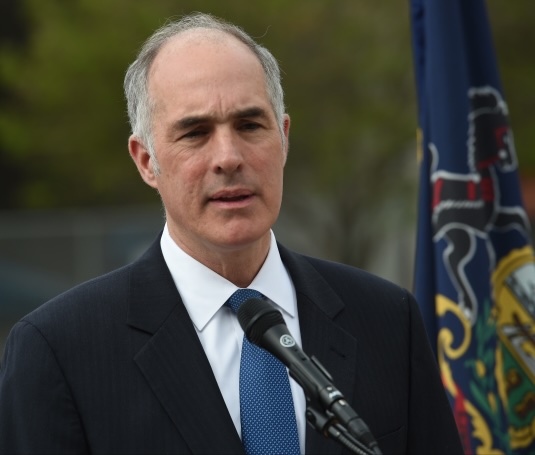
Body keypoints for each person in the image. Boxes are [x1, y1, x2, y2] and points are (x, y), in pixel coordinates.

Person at [0, 12, 463, 455]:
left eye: (249, 125)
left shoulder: (387, 319)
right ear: (146, 161)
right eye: (195, 132)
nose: (228, 156)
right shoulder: (59, 350)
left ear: (283, 138)